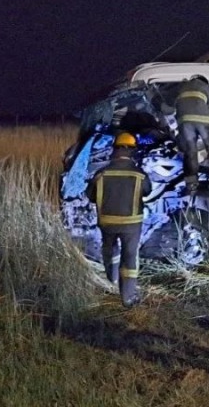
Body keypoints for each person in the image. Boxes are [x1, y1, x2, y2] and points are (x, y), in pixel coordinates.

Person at [86, 132, 152, 308]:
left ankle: (111, 281)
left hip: (107, 222)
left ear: (114, 150)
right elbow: (147, 191)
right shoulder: (140, 174)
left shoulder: (101, 173)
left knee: (110, 250)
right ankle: (128, 297)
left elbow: (90, 196)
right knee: (129, 257)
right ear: (132, 151)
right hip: (131, 223)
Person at [175, 74, 209, 191]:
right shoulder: (204, 87)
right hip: (204, 122)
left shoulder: (181, 87)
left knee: (190, 151)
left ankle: (191, 182)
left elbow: (170, 107)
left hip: (185, 122)